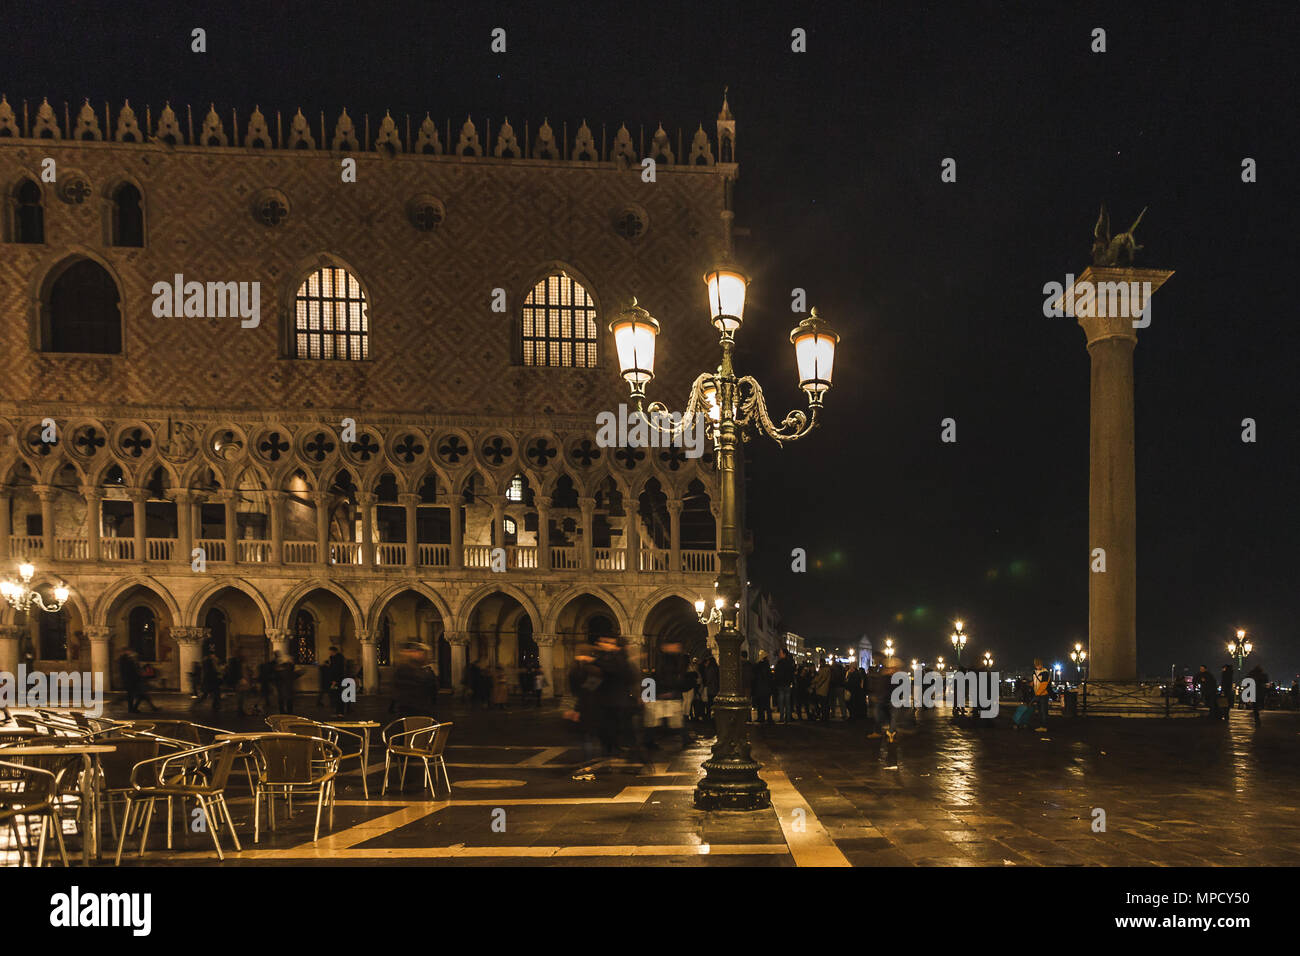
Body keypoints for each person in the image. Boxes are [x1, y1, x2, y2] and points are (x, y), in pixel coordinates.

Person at [866, 664, 892, 738]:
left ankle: (879, 731)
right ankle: (889, 731)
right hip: (883, 698)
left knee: (878, 716)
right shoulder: (885, 677)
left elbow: (883, 688)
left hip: (882, 699)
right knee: (885, 715)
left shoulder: (886, 678)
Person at [751, 650, 773, 723]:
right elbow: (769, 678)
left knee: (760, 704)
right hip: (766, 688)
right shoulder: (767, 666)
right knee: (767, 704)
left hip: (759, 687)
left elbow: (755, 677)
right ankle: (769, 718)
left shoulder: (758, 666)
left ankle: (761, 718)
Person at [324, 644, 346, 716]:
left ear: (333, 651)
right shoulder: (335, 658)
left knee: (338, 695)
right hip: (336, 680)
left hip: (337, 681)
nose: (329, 653)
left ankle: (340, 712)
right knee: (336, 695)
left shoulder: (337, 659)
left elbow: (337, 670)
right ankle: (338, 711)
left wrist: (334, 681)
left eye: (330, 652)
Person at [774, 649, 795, 723]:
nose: (779, 654)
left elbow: (777, 674)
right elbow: (792, 673)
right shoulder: (789, 663)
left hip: (781, 685)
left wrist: (776, 682)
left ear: (784, 654)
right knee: (787, 702)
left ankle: (782, 718)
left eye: (780, 653)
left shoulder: (779, 663)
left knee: (781, 702)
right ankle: (788, 718)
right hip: (787, 684)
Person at [1031, 658, 1052, 731]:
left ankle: (1044, 726)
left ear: (1041, 664)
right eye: (1036, 665)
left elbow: (1044, 685)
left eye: (1038, 665)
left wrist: (1037, 694)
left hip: (1043, 694)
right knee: (1040, 711)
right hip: (1038, 694)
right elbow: (1034, 682)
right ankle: (1041, 726)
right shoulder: (1034, 672)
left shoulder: (1045, 672)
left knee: (1043, 711)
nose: (1037, 666)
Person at [223, 653, 247, 717]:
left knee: (240, 695)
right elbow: (238, 673)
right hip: (238, 681)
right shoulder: (237, 664)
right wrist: (241, 679)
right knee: (241, 695)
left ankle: (240, 709)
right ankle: (240, 710)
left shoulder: (233, 664)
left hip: (237, 681)